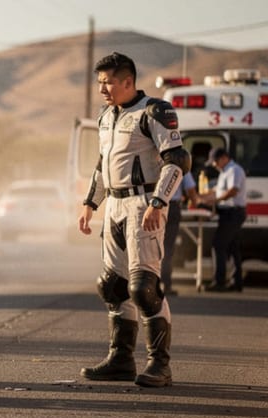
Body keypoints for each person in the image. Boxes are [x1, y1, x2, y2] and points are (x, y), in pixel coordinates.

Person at [77, 52, 190, 388]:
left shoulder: (154, 111)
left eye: (108, 82)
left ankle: (160, 365)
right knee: (112, 286)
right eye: (100, 83)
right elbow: (102, 165)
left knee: (144, 289)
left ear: (128, 81)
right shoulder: (105, 116)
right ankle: (121, 359)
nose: (103, 89)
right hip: (113, 204)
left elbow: (177, 160)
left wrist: (159, 201)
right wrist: (90, 204)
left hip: (145, 205)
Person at [201, 148, 247, 292]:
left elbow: (233, 191)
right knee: (233, 248)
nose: (214, 165)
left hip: (233, 213)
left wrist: (215, 201)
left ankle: (219, 282)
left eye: (215, 161)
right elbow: (218, 190)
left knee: (218, 245)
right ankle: (236, 282)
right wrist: (205, 196)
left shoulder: (234, 170)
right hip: (228, 213)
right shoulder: (225, 172)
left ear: (224, 158)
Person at [161, 172, 199, 296]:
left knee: (152, 246)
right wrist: (196, 204)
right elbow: (190, 189)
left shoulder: (155, 160)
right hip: (172, 208)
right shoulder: (182, 164)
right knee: (167, 248)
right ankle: (167, 285)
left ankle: (151, 283)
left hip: (154, 206)